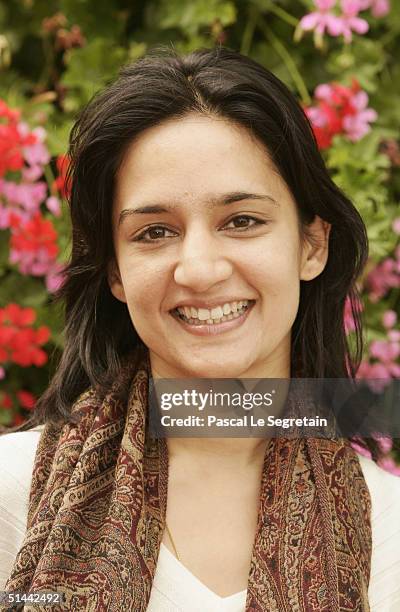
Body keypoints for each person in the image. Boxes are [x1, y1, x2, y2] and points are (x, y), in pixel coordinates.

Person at [1, 47, 399, 612]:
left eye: (242, 221)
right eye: (154, 232)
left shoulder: (389, 534)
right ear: (115, 270)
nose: (200, 269)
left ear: (312, 244)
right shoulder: (12, 499)